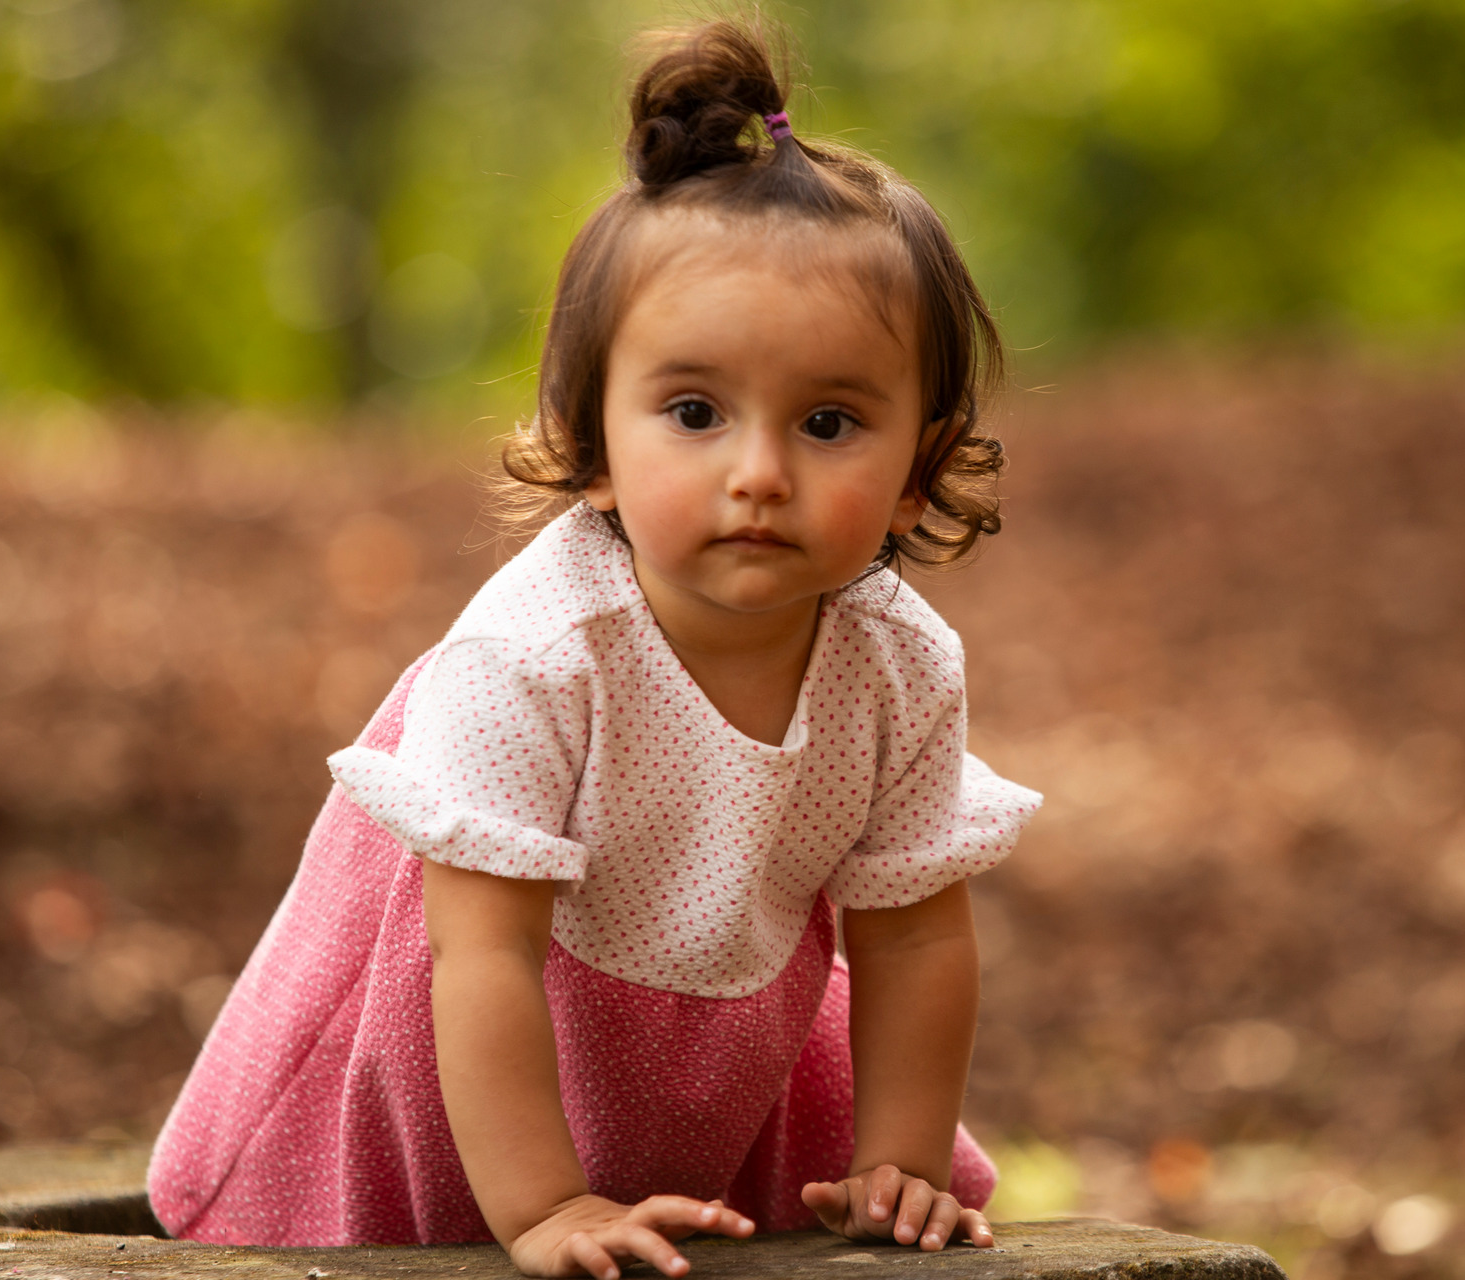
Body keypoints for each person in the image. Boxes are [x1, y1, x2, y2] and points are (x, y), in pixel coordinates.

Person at [145, 19, 1041, 1280]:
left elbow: (914, 934)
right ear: (595, 441)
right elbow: (482, 953)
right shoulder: (535, 653)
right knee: (452, 1226)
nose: (759, 474)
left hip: (718, 1019)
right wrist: (545, 1204)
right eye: (693, 412)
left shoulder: (901, 665)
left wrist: (895, 1151)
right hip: (472, 1016)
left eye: (831, 422)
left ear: (919, 469)